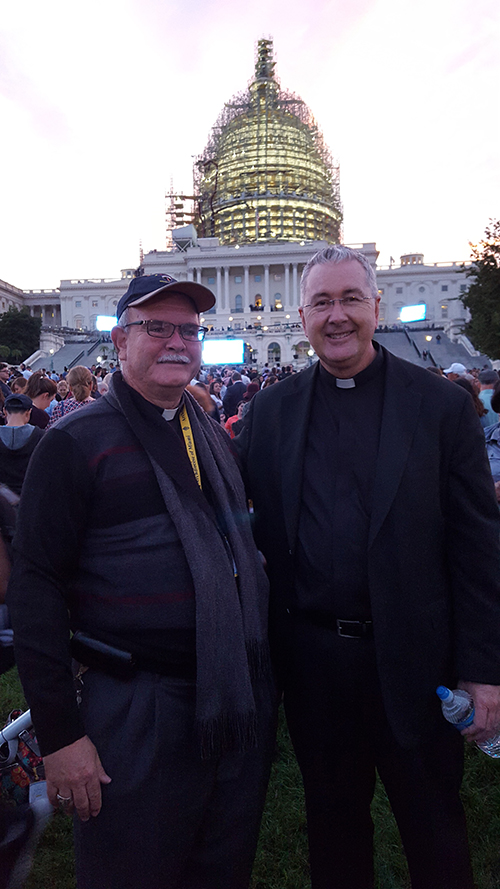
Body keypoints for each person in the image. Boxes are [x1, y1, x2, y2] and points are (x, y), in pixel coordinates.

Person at [235, 245, 500, 889]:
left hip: (419, 660)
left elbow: (477, 550)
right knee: (333, 827)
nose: (337, 316)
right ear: (302, 315)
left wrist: (484, 674)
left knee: (434, 826)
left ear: (376, 306)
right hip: (315, 664)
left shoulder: (437, 408)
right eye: (322, 302)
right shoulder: (272, 411)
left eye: (350, 298)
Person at [7, 273, 275, 889]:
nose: (177, 341)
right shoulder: (76, 441)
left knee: (219, 869)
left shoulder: (208, 433)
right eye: (157, 327)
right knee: (134, 869)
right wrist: (61, 734)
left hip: (230, 696)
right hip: (139, 707)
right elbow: (36, 587)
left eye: (188, 329)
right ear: (121, 341)